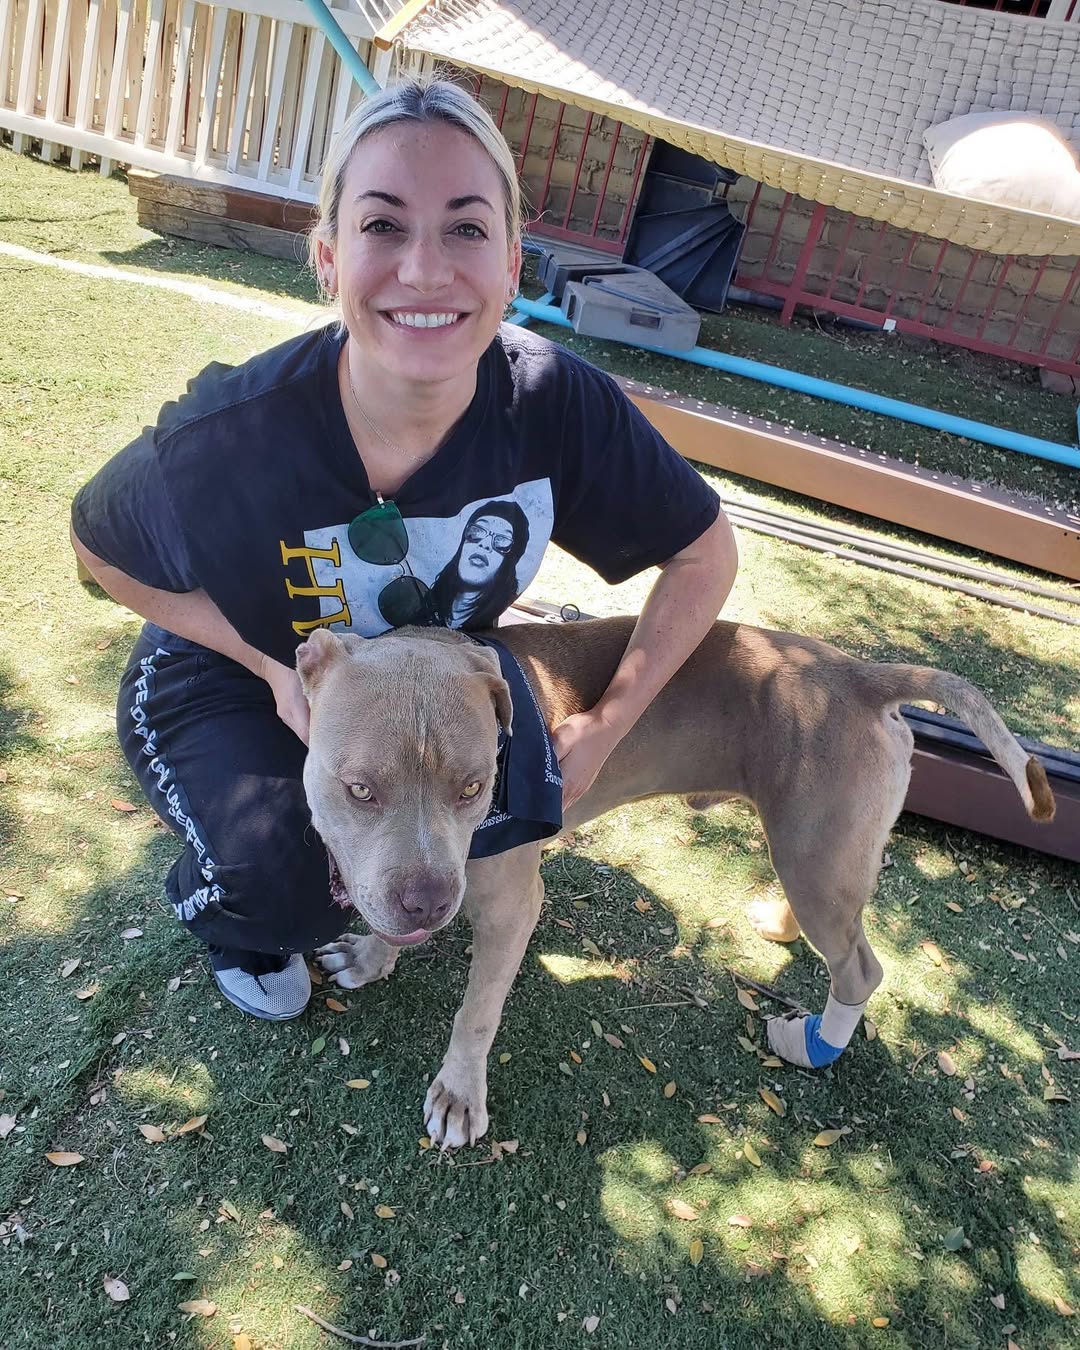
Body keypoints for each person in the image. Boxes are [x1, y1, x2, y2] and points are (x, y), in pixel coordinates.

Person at [70, 77, 738, 1021]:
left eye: (467, 229)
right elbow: (100, 547)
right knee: (285, 881)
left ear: (512, 267)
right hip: (224, 667)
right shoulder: (236, 429)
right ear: (329, 259)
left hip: (430, 687)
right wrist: (269, 666)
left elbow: (705, 554)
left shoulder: (558, 405)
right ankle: (229, 906)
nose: (425, 271)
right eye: (384, 226)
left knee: (482, 818)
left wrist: (608, 724)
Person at [430, 500, 530, 628]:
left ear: (510, 561)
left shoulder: (489, 637)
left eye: (501, 541)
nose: (485, 544)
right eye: (477, 531)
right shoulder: (422, 603)